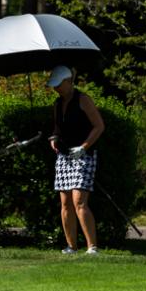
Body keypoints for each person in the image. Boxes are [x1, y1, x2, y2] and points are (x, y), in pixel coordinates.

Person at [47, 65, 105, 255]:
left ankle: (92, 247)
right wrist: (54, 138)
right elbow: (57, 129)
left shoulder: (83, 99)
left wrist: (84, 147)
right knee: (65, 203)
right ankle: (71, 246)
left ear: (68, 81)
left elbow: (99, 126)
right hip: (64, 156)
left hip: (84, 155)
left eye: (58, 84)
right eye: (54, 85)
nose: (56, 88)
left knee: (79, 201)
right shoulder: (57, 104)